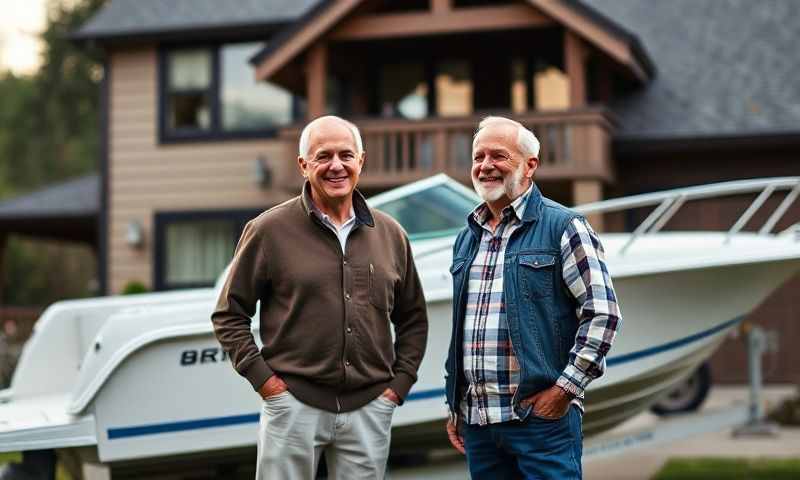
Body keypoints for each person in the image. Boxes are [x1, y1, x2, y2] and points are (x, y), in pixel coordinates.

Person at [211, 115, 428, 480]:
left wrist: (397, 387)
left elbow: (414, 319)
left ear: (361, 160)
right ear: (303, 165)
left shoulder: (392, 234)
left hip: (370, 408)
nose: (336, 165)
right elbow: (228, 315)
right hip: (292, 404)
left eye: (346, 155)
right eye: (323, 156)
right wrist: (266, 382)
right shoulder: (268, 231)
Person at [444, 116, 622, 479]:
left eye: (499, 156)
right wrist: (455, 407)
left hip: (541, 422)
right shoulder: (467, 238)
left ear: (530, 166)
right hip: (479, 423)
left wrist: (564, 390)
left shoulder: (564, 226)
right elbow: (462, 329)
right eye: (479, 157)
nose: (486, 166)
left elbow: (603, 313)